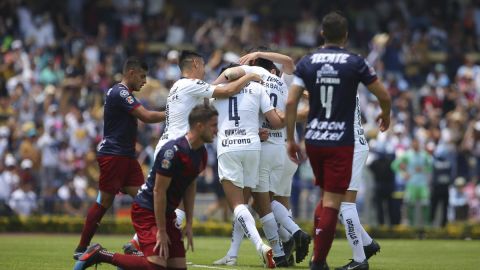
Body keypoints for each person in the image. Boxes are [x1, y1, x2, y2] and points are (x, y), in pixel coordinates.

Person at [124, 50, 261, 252]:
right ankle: (138, 242)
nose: (205, 69)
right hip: (175, 150)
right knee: (165, 198)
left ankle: (137, 241)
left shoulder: (179, 86)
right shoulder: (190, 85)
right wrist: (249, 76)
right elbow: (225, 91)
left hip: (167, 146)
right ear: (196, 64)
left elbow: (212, 92)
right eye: (204, 65)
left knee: (171, 201)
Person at [285, 11, 391, 270]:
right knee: (335, 202)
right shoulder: (352, 69)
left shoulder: (311, 63)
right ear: (345, 36)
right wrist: (385, 114)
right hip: (344, 142)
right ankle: (365, 244)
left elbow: (294, 101)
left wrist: (289, 135)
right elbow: (382, 94)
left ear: (321, 33)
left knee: (341, 204)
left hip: (341, 142)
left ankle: (358, 259)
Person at [74, 104, 218, 270]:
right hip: (146, 210)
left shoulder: (202, 153)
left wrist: (190, 223)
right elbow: (158, 191)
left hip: (166, 213)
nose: (216, 130)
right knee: (155, 266)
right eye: (213, 125)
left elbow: (190, 185)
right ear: (200, 126)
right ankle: (99, 254)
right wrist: (161, 231)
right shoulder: (172, 152)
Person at [213, 49, 310, 267]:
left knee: (254, 203)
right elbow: (289, 62)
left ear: (255, 63)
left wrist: (214, 85)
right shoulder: (283, 82)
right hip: (286, 149)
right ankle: (286, 245)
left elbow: (229, 76)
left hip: (263, 146)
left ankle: (285, 244)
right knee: (276, 203)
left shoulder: (253, 77)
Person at [73, 57, 166, 260]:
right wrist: (173, 112)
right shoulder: (120, 92)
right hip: (114, 155)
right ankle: (81, 248)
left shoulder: (125, 93)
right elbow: (147, 116)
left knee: (146, 200)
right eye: (142, 76)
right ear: (131, 73)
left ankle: (137, 245)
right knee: (104, 201)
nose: (144, 81)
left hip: (126, 156)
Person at [212, 63, 285, 268]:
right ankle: (233, 254)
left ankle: (261, 247)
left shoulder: (218, 91)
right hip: (253, 147)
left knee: (237, 206)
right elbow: (275, 122)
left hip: (229, 148)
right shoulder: (258, 87)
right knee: (243, 205)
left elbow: (208, 90)